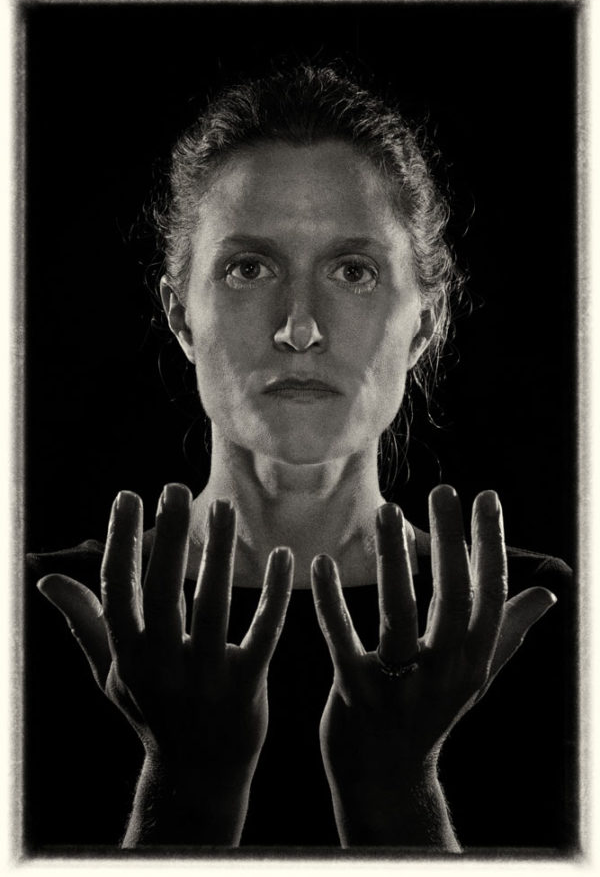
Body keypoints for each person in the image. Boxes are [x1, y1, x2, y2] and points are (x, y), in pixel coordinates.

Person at [27, 64, 574, 852]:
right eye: (248, 268)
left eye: (353, 271)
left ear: (424, 323)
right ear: (181, 316)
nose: (299, 329)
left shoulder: (546, 622)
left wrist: (398, 789)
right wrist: (187, 785)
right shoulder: (37, 617)